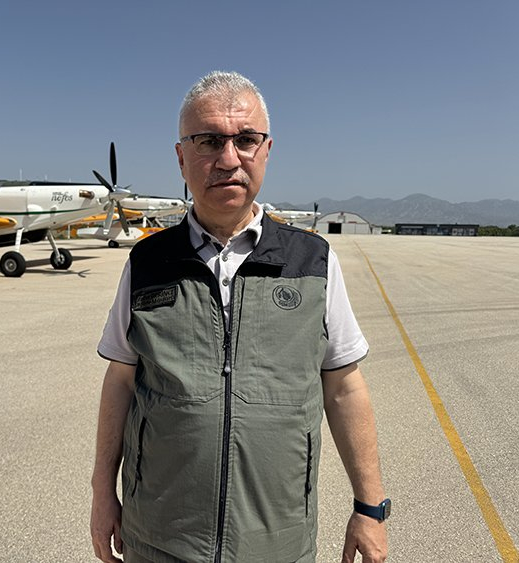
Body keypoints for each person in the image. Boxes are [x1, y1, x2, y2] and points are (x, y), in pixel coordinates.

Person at [90, 71, 389, 563]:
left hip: (279, 543)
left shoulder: (313, 263)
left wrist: (369, 508)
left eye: (246, 140)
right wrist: (103, 493)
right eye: (208, 141)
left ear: (266, 150)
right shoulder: (147, 262)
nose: (228, 159)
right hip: (159, 540)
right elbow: (121, 381)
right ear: (181, 157)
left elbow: (343, 387)